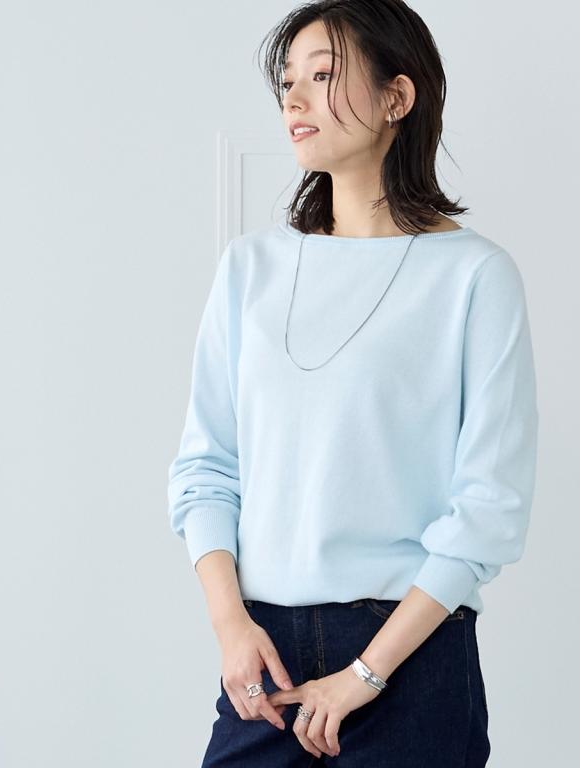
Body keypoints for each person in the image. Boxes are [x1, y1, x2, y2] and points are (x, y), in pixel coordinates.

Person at [166, 1, 539, 765]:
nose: (294, 99)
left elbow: (489, 508)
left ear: (397, 97)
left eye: (323, 75)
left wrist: (367, 673)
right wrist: (231, 626)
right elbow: (206, 470)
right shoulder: (249, 268)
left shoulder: (473, 276)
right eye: (287, 81)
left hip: (410, 660)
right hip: (264, 658)